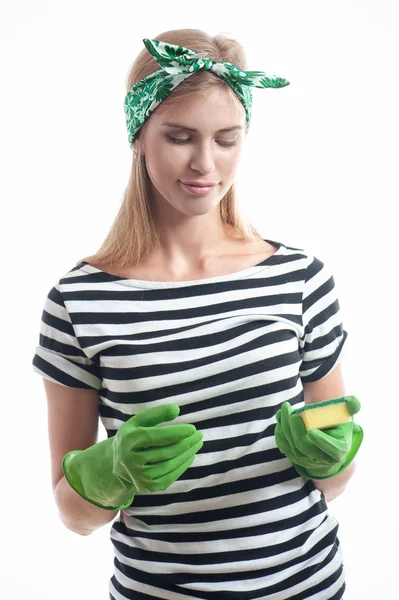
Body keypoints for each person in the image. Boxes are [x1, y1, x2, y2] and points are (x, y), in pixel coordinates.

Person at [32, 28, 363, 600]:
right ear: (139, 136)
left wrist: (330, 452)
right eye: (180, 137)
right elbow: (73, 514)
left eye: (227, 139)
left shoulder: (300, 279)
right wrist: (108, 473)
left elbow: (332, 478)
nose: (205, 163)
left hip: (308, 586)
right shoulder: (79, 302)